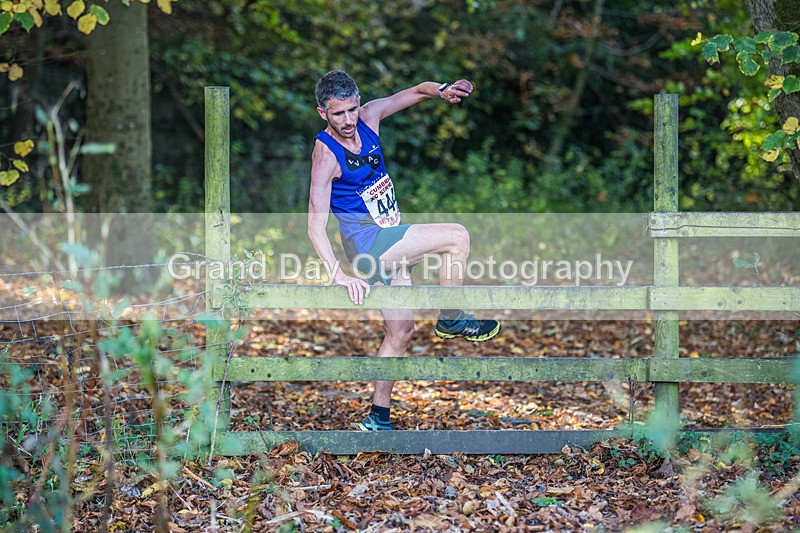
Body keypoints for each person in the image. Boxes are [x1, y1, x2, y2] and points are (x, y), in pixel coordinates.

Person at [307, 70, 500, 431]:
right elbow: (314, 225)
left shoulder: (369, 118)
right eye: (338, 114)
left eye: (352, 110)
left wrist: (442, 90)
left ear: (359, 103)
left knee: (401, 332)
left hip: (389, 241)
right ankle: (452, 317)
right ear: (323, 113)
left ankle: (378, 417)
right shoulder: (325, 155)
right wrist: (338, 274)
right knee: (456, 236)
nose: (348, 121)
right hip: (369, 247)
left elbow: (414, 91)